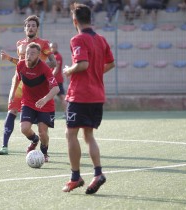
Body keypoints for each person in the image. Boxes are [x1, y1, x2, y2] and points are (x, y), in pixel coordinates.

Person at [62, 3, 115, 194]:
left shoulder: (77, 39)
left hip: (81, 95)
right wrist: (96, 72)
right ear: (90, 20)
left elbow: (82, 64)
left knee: (70, 134)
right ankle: (98, 173)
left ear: (75, 21)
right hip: (97, 95)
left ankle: (75, 177)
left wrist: (68, 70)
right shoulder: (101, 39)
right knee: (88, 135)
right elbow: (111, 63)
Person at [0, 15, 56, 156]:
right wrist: (9, 58)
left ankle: (43, 148)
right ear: (25, 28)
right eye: (28, 25)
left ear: (37, 28)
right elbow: (22, 63)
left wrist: (39, 71)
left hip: (38, 84)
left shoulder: (43, 43)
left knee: (42, 128)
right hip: (20, 82)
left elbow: (53, 63)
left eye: (33, 25)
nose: (30, 27)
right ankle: (4, 145)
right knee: (12, 111)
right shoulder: (20, 43)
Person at [9, 42, 60, 162]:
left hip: (45, 104)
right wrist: (12, 93)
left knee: (43, 132)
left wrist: (45, 99)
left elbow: (56, 88)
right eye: (27, 53)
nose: (28, 55)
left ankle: (44, 152)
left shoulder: (44, 68)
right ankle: (34, 140)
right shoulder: (21, 64)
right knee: (24, 129)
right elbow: (16, 79)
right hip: (28, 102)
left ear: (38, 55)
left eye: (32, 53)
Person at [49, 42, 67, 117]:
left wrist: (50, 78)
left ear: (56, 48)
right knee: (58, 97)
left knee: (61, 97)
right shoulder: (53, 56)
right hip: (55, 80)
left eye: (53, 47)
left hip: (56, 80)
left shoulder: (57, 56)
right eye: (51, 47)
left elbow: (56, 69)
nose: (52, 49)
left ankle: (67, 113)